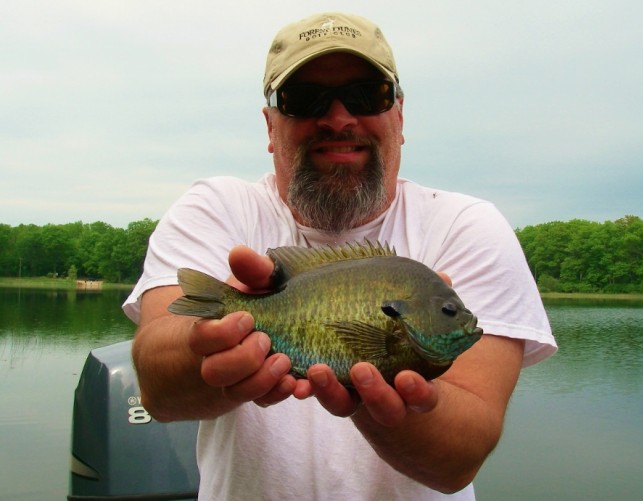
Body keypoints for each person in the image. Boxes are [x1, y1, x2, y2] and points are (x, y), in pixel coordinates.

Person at [124, 11, 557, 500]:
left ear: (399, 114)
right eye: (303, 99)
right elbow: (158, 388)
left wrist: (375, 396)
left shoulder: (467, 226)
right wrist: (217, 338)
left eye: (365, 95)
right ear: (270, 125)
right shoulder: (217, 208)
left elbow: (461, 456)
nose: (338, 118)